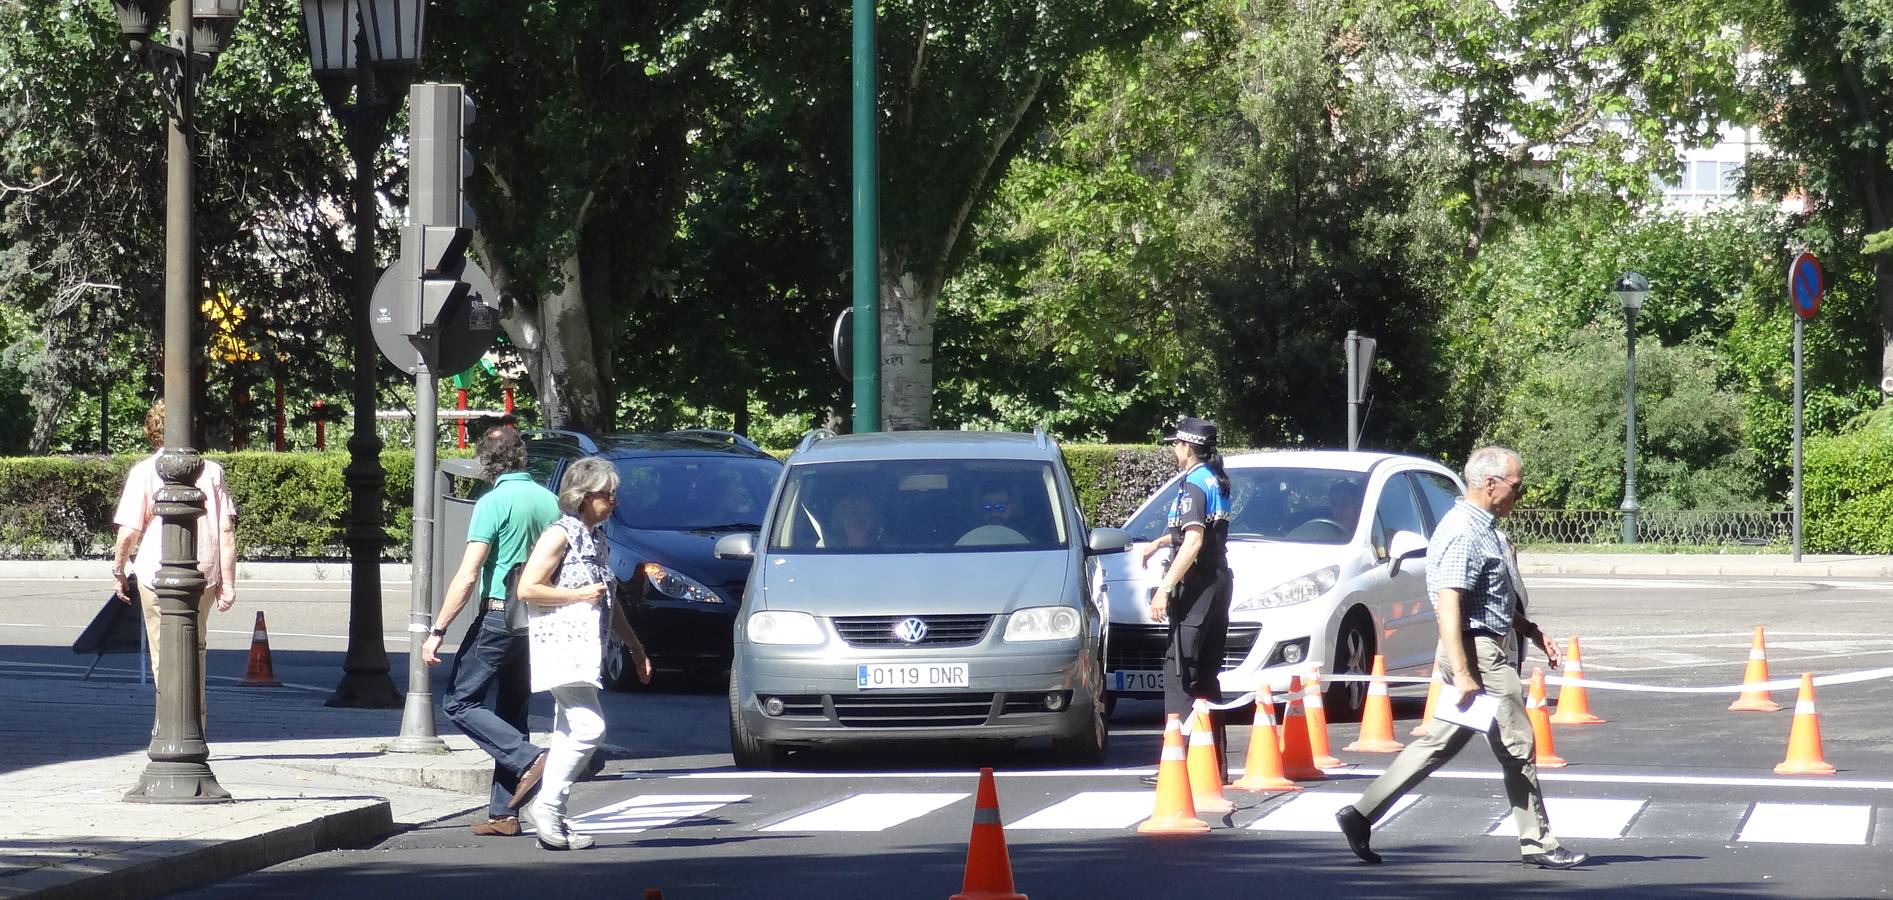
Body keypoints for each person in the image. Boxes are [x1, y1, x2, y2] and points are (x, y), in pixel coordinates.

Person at [1334, 446, 1588, 870]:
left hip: (1482, 647)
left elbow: (1486, 597)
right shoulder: (1464, 532)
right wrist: (1466, 672)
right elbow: (1448, 604)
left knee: (1439, 743)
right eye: (1516, 487)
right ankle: (1538, 843)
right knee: (1518, 747)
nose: (1519, 496)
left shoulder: (1484, 526)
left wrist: (1529, 630)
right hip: (1480, 653)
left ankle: (1360, 814)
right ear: (1490, 484)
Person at [422, 426, 560, 837]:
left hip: (499, 615)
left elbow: (468, 574)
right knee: (512, 711)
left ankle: (531, 757)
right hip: (536, 618)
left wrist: (439, 628)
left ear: (486, 462)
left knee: (459, 702)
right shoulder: (549, 501)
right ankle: (504, 814)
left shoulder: (493, 502)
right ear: (521, 457)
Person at [517, 457, 652, 851]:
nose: (613, 502)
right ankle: (547, 806)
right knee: (590, 729)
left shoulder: (595, 538)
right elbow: (528, 589)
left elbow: (609, 598)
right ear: (582, 496)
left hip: (584, 648)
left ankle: (551, 815)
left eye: (614, 495)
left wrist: (635, 646)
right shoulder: (559, 534)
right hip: (560, 645)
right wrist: (577, 594)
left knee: (568, 732)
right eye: (607, 495)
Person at [111, 399, 238, 732]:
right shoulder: (212, 471)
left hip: (154, 572)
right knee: (196, 648)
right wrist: (229, 582)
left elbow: (129, 532)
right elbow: (226, 530)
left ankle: (168, 723)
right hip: (206, 572)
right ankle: (198, 724)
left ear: (153, 430)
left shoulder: (143, 472)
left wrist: (118, 569)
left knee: (162, 650)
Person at [1133, 416, 1233, 785]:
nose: (1174, 449)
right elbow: (1203, 531)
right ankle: (1213, 767)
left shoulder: (1194, 483)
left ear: (1187, 447)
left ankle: (1178, 766)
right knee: (1207, 674)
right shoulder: (1215, 478)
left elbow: (1194, 541)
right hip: (1219, 581)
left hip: (1198, 584)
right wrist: (1162, 541)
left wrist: (1164, 588)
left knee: (1180, 670)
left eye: (1176, 444)